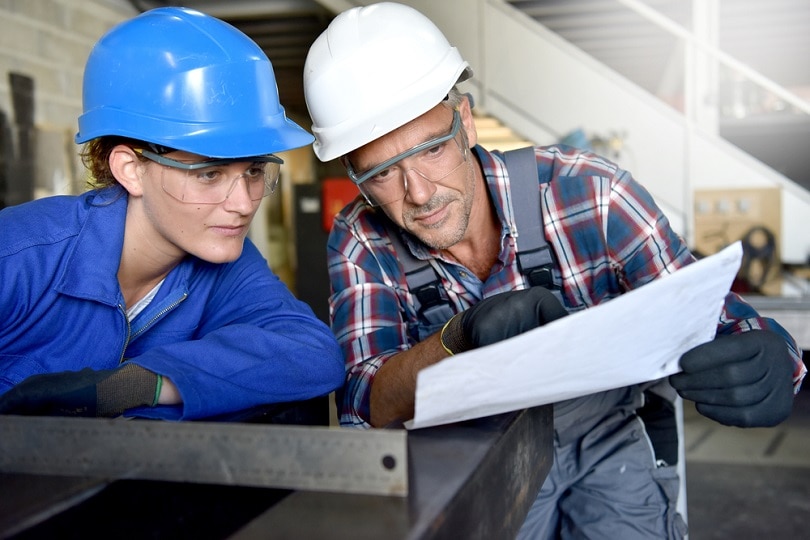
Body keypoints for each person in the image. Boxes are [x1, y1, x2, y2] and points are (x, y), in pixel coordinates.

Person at [303, 2, 806, 538]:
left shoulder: (590, 193)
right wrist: (456, 339)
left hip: (606, 443)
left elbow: (709, 310)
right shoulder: (363, 238)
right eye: (381, 173)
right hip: (477, 458)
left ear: (466, 121)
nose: (419, 194)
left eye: (430, 149)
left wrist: (771, 355)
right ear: (356, 176)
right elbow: (363, 401)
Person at [0, 7, 345, 422]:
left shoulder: (227, 263)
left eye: (254, 171)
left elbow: (313, 354)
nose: (242, 204)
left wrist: (139, 386)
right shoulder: (19, 256)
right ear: (130, 170)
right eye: (209, 174)